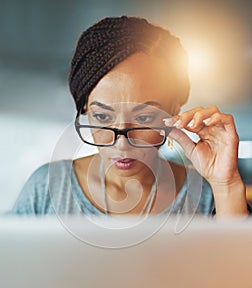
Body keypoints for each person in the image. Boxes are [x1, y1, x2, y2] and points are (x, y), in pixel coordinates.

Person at [10, 16, 250, 217]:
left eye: (144, 118)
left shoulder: (207, 197)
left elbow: (242, 271)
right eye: (103, 117)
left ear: (174, 111)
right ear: (84, 108)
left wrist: (226, 185)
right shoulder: (46, 190)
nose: (122, 143)